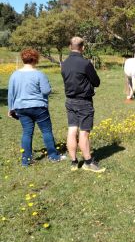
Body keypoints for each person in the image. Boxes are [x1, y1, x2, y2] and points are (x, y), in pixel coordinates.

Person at [7, 48, 64, 166]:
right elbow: (46, 91)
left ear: (23, 59)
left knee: (27, 133)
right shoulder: (39, 74)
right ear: (35, 59)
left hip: (21, 108)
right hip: (39, 107)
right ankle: (53, 156)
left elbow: (11, 93)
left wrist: (10, 108)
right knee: (46, 131)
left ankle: (26, 160)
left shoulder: (14, 75)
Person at [61, 36, 105, 173]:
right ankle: (88, 162)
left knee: (71, 131)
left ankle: (74, 162)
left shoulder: (64, 63)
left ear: (70, 47)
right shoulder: (85, 64)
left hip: (69, 100)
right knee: (84, 133)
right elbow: (96, 82)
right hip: (83, 102)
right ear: (83, 48)